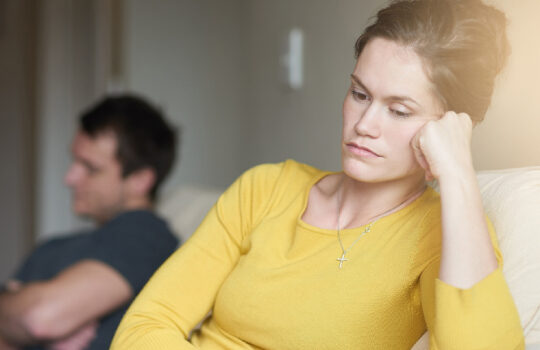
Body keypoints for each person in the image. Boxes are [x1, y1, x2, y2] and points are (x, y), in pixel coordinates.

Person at [111, 0, 525, 349]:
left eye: (399, 111)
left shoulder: (447, 238)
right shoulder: (266, 188)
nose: (364, 124)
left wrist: (458, 172)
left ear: (449, 127)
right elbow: (145, 326)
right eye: (359, 94)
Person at [0, 95, 179, 350]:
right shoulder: (53, 246)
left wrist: (16, 303)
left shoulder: (146, 237)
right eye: (74, 161)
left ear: (140, 180)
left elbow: (39, 318)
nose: (70, 178)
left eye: (90, 168)